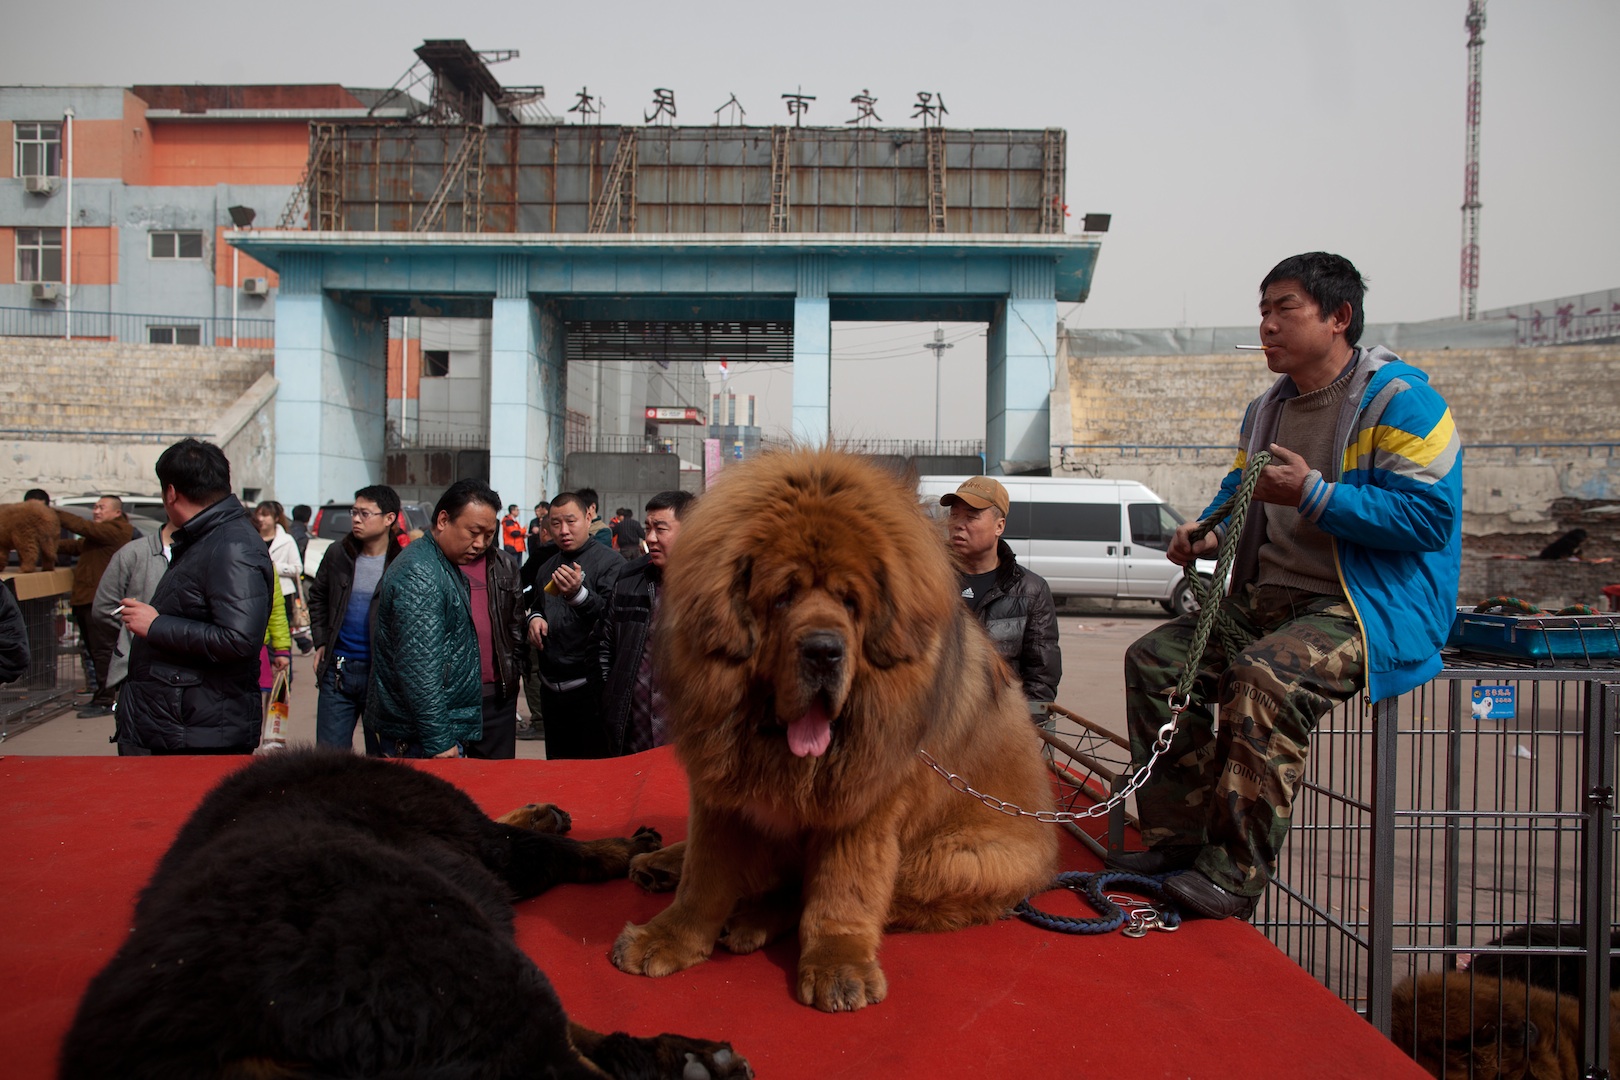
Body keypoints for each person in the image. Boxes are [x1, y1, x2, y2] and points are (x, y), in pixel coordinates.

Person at [1115, 252, 1462, 921]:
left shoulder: (1405, 403)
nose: (1268, 325)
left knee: (1262, 678)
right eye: (1263, 311)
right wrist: (1206, 535)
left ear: (1338, 318)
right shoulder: (1267, 410)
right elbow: (1239, 494)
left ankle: (1234, 873)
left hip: (1358, 607)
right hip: (1270, 600)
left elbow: (1430, 517)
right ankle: (1178, 843)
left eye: (1285, 309)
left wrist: (1315, 495)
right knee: (1155, 661)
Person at [115, 438, 275, 754]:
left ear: (171, 492)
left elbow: (239, 639)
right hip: (184, 723)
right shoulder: (207, 538)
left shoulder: (230, 546)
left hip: (199, 731)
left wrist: (156, 625)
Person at [365, 479, 512, 759]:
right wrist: (439, 740)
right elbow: (419, 670)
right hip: (421, 740)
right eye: (474, 532)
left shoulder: (442, 562)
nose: (480, 544)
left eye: (489, 535)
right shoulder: (421, 573)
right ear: (444, 519)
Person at [941, 476, 1062, 705]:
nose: (958, 524)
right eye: (954, 515)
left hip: (998, 726)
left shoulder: (1031, 591)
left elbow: (1041, 679)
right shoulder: (930, 581)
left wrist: (1017, 730)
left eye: (971, 516)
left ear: (999, 526)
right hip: (936, 725)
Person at [526, 491, 625, 759]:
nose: (563, 531)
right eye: (555, 524)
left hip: (589, 690)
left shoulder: (611, 564)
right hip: (551, 689)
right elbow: (538, 603)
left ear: (588, 517)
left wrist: (578, 595)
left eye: (571, 521)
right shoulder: (547, 566)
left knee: (593, 774)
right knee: (558, 770)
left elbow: (614, 620)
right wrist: (534, 618)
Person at [308, 484, 402, 754]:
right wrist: (322, 642)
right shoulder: (338, 553)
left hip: (382, 675)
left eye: (365, 513)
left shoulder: (402, 561)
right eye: (354, 512)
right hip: (338, 672)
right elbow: (317, 598)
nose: (356, 519)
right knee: (329, 761)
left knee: (383, 760)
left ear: (389, 519)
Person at [598, 490, 694, 755]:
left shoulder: (713, 586)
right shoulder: (629, 577)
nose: (650, 538)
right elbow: (604, 646)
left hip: (689, 735)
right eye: (647, 528)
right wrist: (614, 694)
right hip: (633, 733)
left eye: (660, 529)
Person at [92, 515, 174, 755]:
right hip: (138, 676)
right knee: (137, 762)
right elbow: (103, 608)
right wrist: (132, 631)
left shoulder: (208, 554)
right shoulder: (134, 553)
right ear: (172, 498)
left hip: (191, 677)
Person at [54, 496, 134, 717]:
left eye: (101, 507)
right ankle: (102, 697)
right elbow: (74, 545)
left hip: (98, 602)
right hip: (85, 601)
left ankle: (105, 701)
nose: (96, 511)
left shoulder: (117, 530)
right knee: (94, 651)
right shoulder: (97, 537)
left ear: (117, 512)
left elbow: (83, 527)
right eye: (95, 507)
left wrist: (52, 514)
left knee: (102, 652)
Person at [253, 500, 310, 654]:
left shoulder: (286, 540)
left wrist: (274, 567)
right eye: (258, 515)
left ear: (276, 518)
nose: (261, 519)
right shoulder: (251, 537)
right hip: (257, 592)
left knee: (280, 635)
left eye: (265, 515)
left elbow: (298, 568)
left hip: (283, 594)